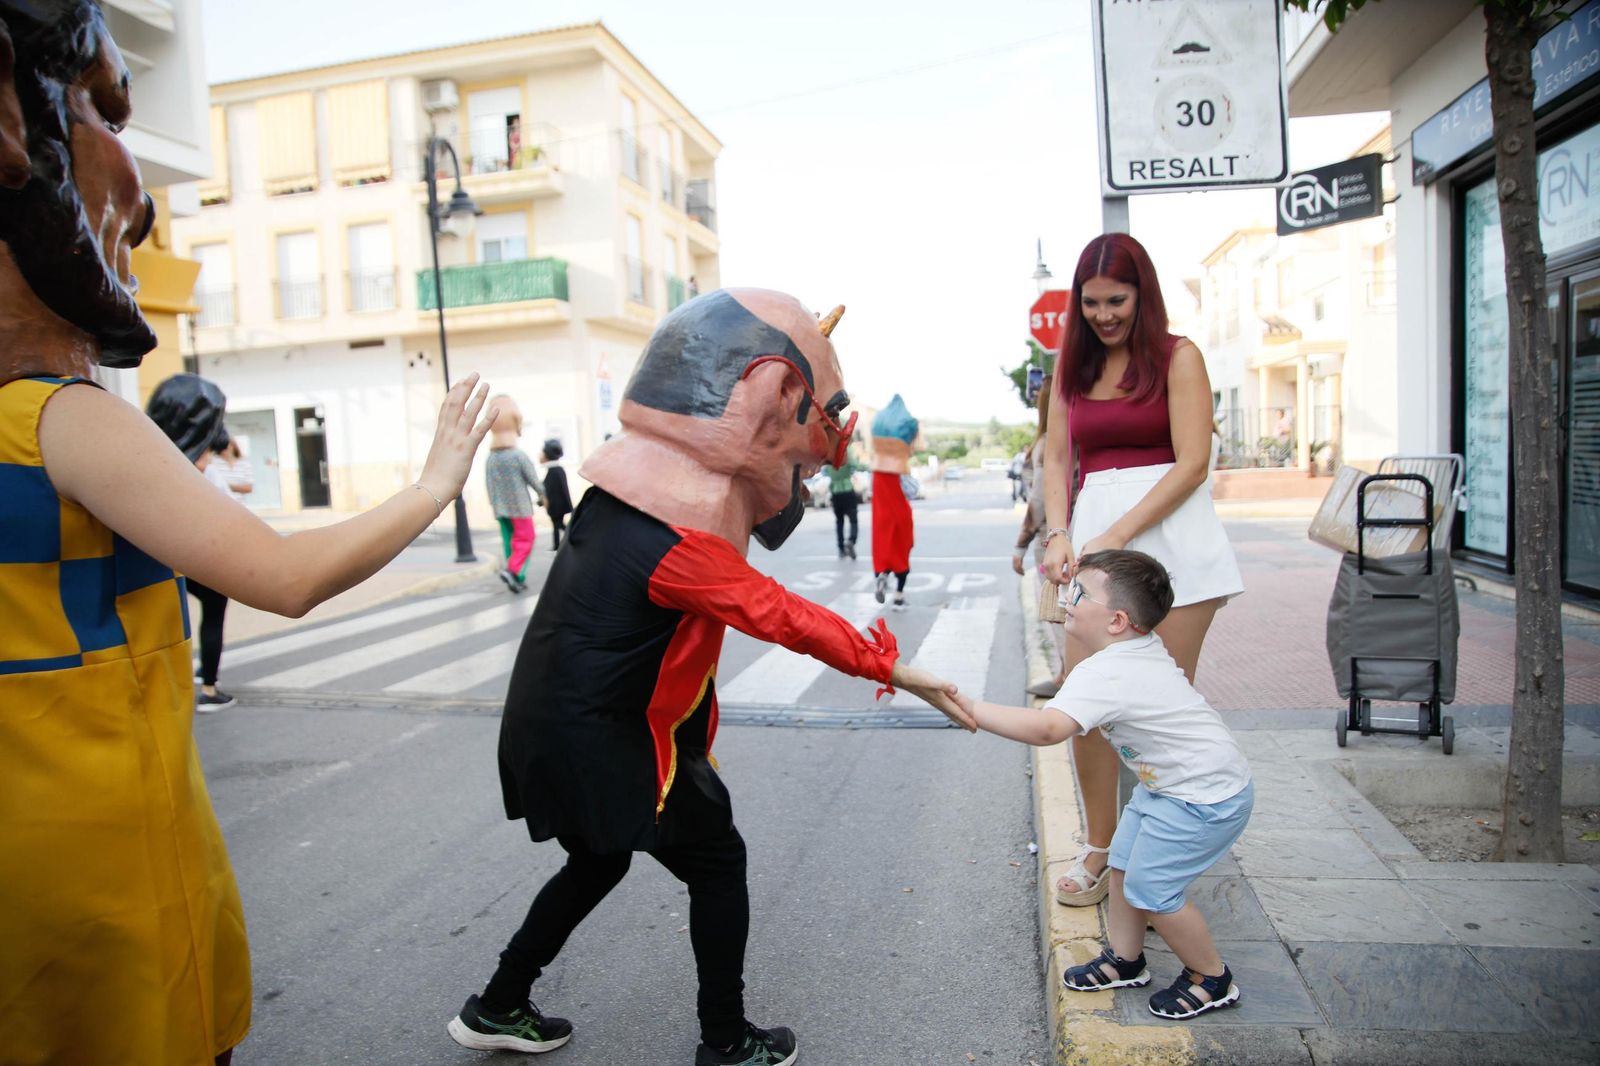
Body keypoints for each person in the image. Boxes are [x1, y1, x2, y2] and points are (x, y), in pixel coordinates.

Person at [0, 8, 500, 1061]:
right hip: (105, 873)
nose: (135, 245)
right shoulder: (60, 415)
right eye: (96, 106)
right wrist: (431, 485)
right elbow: (281, 574)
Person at [448, 290, 972, 1066]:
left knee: (599, 857)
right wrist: (900, 667)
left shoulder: (616, 503)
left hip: (559, 724)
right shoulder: (676, 540)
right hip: (605, 737)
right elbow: (778, 613)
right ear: (767, 400)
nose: (820, 445)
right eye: (813, 419)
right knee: (718, 864)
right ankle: (726, 1040)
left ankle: (497, 1003)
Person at [1039, 232, 1243, 908]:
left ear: (1142, 294)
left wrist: (1116, 535)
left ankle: (1154, 865)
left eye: (1117, 301)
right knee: (1086, 705)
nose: (1104, 316)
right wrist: (1061, 532)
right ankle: (1100, 848)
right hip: (1094, 548)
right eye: (1091, 303)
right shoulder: (1071, 365)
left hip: (1174, 542)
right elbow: (1055, 461)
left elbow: (1193, 463)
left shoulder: (1178, 357)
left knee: (1157, 715)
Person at [959, 550, 1252, 1020]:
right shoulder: (1130, 652)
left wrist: (969, 708)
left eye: (1079, 592)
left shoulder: (1109, 671)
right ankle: (1126, 959)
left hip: (1204, 798)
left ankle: (1211, 977)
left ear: (1116, 620)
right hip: (1172, 788)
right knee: (1122, 864)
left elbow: (1048, 729)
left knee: (1154, 889)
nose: (1066, 597)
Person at [145, 373, 242, 712]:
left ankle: (196, 677)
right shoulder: (199, 475)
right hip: (204, 557)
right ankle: (211, 690)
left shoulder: (145, 465)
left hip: (168, 559)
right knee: (213, 616)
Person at [1013, 373, 1066, 698]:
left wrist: (1019, 545)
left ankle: (1065, 675)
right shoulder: (1070, 441)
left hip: (1051, 539)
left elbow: (1040, 500)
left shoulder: (1049, 444)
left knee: (1058, 611)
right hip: (1075, 531)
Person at [485, 395, 545, 593]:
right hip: (519, 507)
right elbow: (533, 480)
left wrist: (493, 504)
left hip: (500, 508)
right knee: (526, 538)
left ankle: (517, 576)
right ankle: (513, 571)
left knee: (510, 542)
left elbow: (489, 484)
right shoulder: (518, 456)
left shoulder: (491, 459)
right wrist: (544, 496)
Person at [870, 394, 919, 611]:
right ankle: (899, 596)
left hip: (880, 516)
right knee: (901, 553)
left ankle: (881, 575)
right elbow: (912, 490)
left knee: (884, 552)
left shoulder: (876, 470)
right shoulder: (899, 468)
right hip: (900, 515)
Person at [822, 444, 866, 559]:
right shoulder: (846, 451)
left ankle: (841, 548)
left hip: (835, 491)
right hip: (847, 489)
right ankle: (851, 540)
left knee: (839, 522)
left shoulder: (828, 453)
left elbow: (825, 471)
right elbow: (854, 465)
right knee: (853, 520)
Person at [539, 438, 572, 550]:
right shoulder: (556, 470)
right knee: (558, 525)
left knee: (558, 525)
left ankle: (570, 538)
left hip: (556, 505)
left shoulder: (554, 471)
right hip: (557, 505)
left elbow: (548, 489)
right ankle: (558, 544)